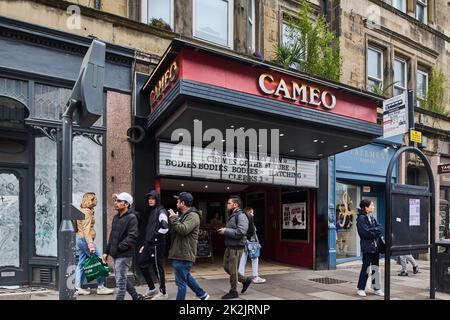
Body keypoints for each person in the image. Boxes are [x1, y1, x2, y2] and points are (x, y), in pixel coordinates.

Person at [168, 192, 209, 300]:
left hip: (184, 254)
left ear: (183, 203)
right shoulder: (185, 215)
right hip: (180, 253)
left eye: (178, 201)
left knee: (181, 284)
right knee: (186, 277)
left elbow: (183, 230)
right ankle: (202, 294)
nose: (176, 202)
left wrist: (173, 218)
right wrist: (176, 218)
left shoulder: (193, 216)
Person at [102, 192, 144, 300]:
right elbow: (112, 236)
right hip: (117, 254)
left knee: (120, 284)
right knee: (122, 279)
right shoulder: (116, 217)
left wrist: (119, 247)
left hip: (124, 255)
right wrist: (106, 251)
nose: (116, 203)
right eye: (116, 201)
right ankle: (136, 297)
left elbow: (132, 237)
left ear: (126, 204)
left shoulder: (131, 218)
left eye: (119, 201)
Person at [75, 192, 114, 296]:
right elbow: (86, 230)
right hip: (86, 240)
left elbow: (78, 227)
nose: (96, 200)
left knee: (81, 263)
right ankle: (100, 287)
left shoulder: (81, 210)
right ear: (90, 200)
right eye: (95, 199)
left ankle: (78, 288)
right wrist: (90, 245)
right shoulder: (87, 212)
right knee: (100, 261)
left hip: (81, 239)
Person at [218, 195, 253, 299]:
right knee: (226, 267)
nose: (227, 205)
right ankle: (245, 280)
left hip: (237, 247)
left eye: (229, 203)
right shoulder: (233, 215)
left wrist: (225, 231)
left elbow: (241, 232)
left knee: (233, 271)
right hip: (229, 246)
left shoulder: (241, 215)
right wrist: (225, 229)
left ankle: (233, 291)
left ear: (235, 204)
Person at [138, 190, 169, 300]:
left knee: (157, 267)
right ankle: (152, 289)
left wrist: (154, 237)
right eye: (149, 199)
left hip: (157, 244)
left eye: (153, 198)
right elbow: (150, 229)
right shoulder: (152, 211)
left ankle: (163, 292)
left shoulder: (161, 211)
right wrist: (145, 243)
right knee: (141, 263)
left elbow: (165, 228)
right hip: (149, 244)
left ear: (157, 199)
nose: (150, 200)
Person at [356, 199, 384, 297]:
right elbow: (365, 233)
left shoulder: (372, 217)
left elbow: (380, 228)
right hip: (367, 247)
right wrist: (374, 231)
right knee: (366, 268)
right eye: (371, 205)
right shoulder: (361, 219)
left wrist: (373, 230)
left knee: (375, 268)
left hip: (375, 247)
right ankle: (361, 288)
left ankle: (376, 288)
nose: (373, 207)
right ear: (366, 208)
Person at [238, 207, 266, 284]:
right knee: (255, 259)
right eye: (251, 213)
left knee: (242, 260)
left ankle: (240, 278)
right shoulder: (250, 222)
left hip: (244, 243)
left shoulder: (242, 222)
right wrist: (258, 243)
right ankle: (255, 277)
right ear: (248, 213)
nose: (253, 215)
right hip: (251, 244)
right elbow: (254, 234)